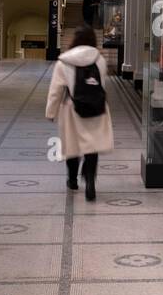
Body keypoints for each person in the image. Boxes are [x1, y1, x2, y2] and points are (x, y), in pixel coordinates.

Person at [45, 25, 114, 201]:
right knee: (92, 145)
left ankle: (72, 180)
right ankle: (90, 181)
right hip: (96, 108)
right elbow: (102, 85)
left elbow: (56, 90)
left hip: (72, 108)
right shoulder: (99, 59)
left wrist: (51, 112)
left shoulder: (63, 61)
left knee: (72, 145)